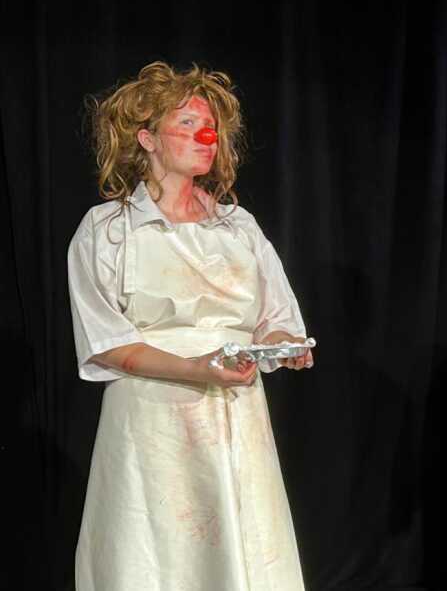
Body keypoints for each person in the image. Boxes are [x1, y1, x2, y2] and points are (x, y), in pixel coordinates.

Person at [67, 62, 312, 590]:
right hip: (153, 412)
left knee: (236, 546)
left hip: (233, 413)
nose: (207, 137)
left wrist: (280, 347)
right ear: (147, 138)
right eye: (187, 124)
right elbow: (107, 341)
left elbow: (275, 317)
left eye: (212, 128)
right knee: (155, 550)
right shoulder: (108, 230)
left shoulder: (237, 226)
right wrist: (193, 367)